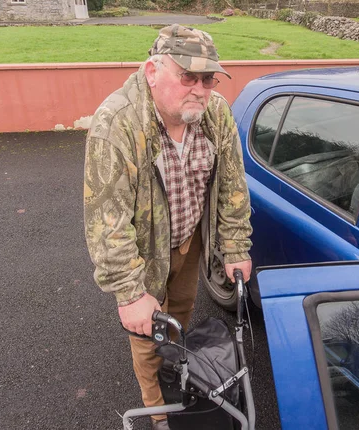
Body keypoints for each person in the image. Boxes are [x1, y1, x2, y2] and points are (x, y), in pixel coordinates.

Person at [83, 24, 253, 430]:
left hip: (188, 239)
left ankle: (179, 375)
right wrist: (129, 293)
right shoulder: (117, 123)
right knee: (148, 332)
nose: (199, 88)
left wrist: (235, 247)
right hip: (143, 250)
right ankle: (159, 413)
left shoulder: (215, 114)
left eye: (208, 79)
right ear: (152, 71)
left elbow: (232, 185)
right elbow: (107, 218)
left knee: (180, 313)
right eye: (187, 76)